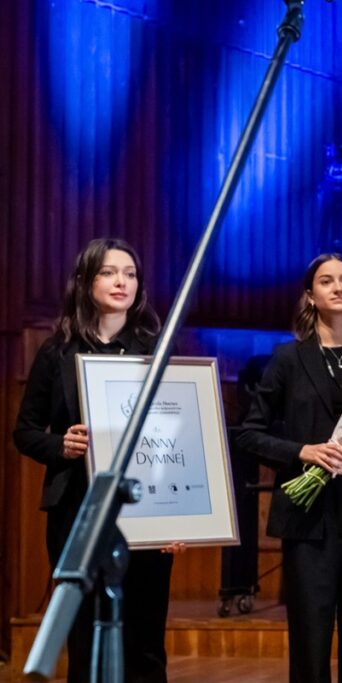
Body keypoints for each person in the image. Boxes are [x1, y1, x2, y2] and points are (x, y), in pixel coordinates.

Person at [13, 238, 180, 683]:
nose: (121, 281)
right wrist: (61, 445)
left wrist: (179, 518)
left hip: (145, 510)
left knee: (146, 641)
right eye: (108, 272)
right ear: (86, 281)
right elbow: (24, 432)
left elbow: (179, 437)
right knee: (84, 637)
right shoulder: (57, 351)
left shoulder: (156, 350)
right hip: (76, 510)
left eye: (130, 273)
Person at [235, 254, 342, 683]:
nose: (339, 287)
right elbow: (248, 434)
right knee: (310, 639)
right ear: (310, 296)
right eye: (327, 281)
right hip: (307, 521)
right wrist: (302, 451)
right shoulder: (288, 359)